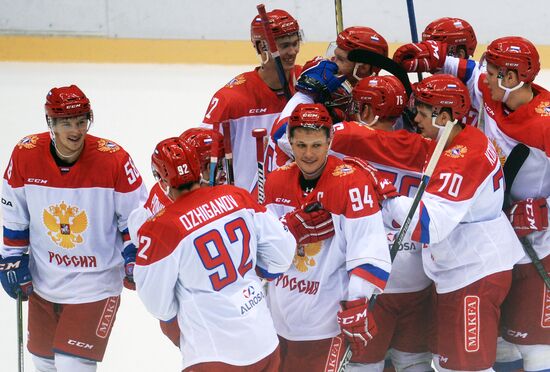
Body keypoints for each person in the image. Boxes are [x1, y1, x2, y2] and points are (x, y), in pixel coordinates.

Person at [394, 35, 550, 372]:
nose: (484, 78)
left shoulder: (546, 123)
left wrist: (547, 210)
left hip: (539, 240)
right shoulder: (494, 91)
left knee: (536, 346)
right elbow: (467, 72)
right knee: (502, 343)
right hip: (500, 230)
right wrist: (434, 58)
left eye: (492, 72)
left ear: (511, 79)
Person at [380, 75, 524, 371]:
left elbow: (428, 227)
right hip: (465, 270)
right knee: (452, 365)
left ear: (443, 116)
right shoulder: (464, 137)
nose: (415, 120)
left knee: (465, 368)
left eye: (421, 113)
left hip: (473, 276)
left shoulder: (462, 157)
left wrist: (385, 198)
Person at [0, 85, 147, 372]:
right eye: (66, 122)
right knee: (44, 364)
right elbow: (14, 215)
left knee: (72, 366)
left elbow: (135, 217)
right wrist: (11, 258)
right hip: (44, 283)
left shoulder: (114, 159)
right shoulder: (25, 155)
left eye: (81, 121)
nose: (76, 130)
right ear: (51, 124)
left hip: (96, 284)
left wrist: (134, 254)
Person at [133, 137, 298, 371]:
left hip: (212, 353)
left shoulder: (160, 228)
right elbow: (283, 252)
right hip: (263, 343)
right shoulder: (236, 196)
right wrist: (258, 269)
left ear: (161, 180)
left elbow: (158, 304)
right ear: (199, 168)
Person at [264, 103, 391, 371]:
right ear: (290, 141)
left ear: (330, 140)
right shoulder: (276, 180)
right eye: (300, 145)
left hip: (325, 324)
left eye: (317, 145)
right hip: (278, 320)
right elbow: (263, 250)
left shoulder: (351, 183)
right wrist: (289, 228)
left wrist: (357, 301)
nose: (308, 154)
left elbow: (368, 247)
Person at [329, 76, 434, 371]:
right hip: (418, 275)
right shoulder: (427, 147)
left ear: (365, 111)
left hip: (371, 276)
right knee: (415, 363)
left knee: (364, 366)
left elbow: (286, 137)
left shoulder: (346, 138)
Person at [126, 127, 225, 347]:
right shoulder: (184, 206)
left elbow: (136, 229)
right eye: (210, 167)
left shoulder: (164, 190)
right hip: (195, 310)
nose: (219, 173)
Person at [201, 8, 302, 193]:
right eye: (285, 45)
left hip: (296, 201)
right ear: (261, 47)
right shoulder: (230, 99)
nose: (293, 51)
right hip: (250, 206)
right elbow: (204, 155)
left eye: (296, 43)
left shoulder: (306, 83)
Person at [420, 17, 480, 127]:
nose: (430, 62)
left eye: (437, 54)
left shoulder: (482, 89)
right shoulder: (428, 90)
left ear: (460, 55)